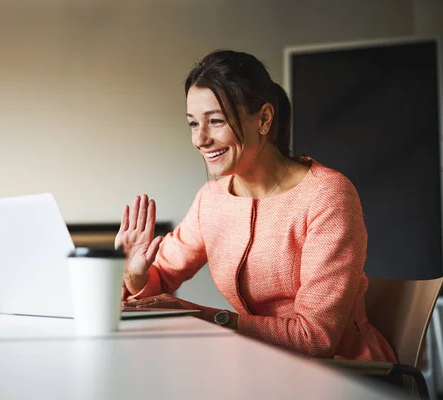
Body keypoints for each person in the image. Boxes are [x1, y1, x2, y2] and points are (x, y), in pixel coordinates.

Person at [114, 49, 396, 362]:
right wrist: (135, 274)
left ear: (263, 118)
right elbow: (157, 282)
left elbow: (316, 339)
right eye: (194, 124)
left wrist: (203, 315)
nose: (200, 139)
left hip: (347, 376)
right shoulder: (212, 200)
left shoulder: (327, 196)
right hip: (260, 366)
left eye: (216, 121)